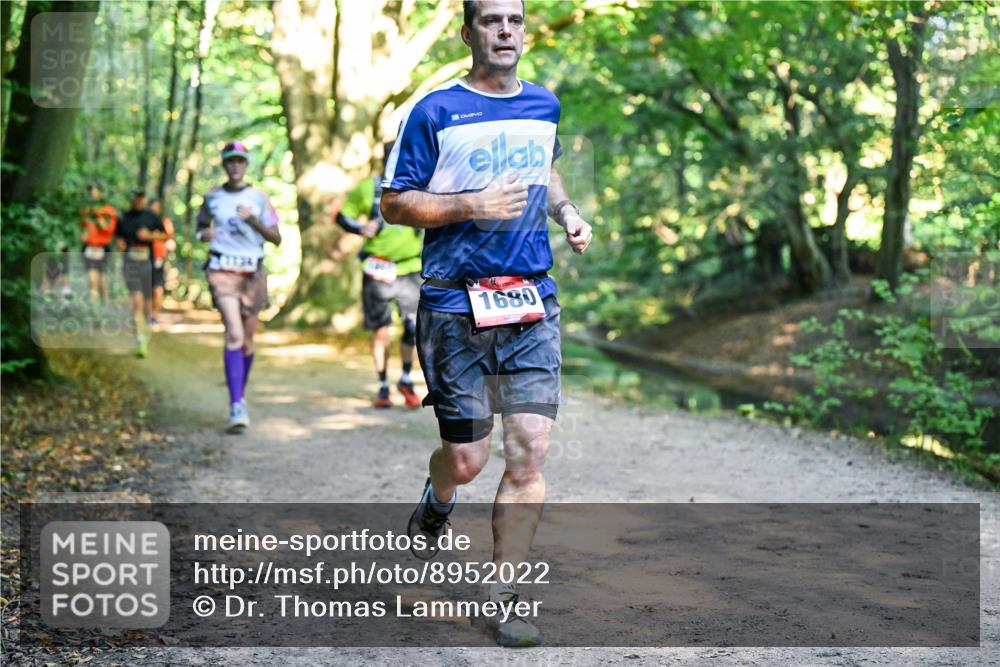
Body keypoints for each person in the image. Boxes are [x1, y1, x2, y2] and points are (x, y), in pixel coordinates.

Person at [380, 0, 592, 647]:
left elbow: (545, 168)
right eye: (493, 20)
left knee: (529, 452)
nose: (506, 31)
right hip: (453, 304)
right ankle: (438, 497)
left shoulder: (543, 105)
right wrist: (469, 203)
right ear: (467, 30)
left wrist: (567, 210)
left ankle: (503, 597)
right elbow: (392, 203)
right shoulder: (435, 111)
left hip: (531, 302)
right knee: (469, 459)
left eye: (516, 21)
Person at [196, 140, 281, 433]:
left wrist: (253, 220)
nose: (235, 166)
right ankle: (236, 405)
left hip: (253, 275)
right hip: (222, 272)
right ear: (224, 165)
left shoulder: (259, 198)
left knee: (246, 341)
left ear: (246, 165)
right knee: (233, 334)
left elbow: (276, 238)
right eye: (230, 161)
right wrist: (203, 236)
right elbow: (200, 229)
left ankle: (239, 396)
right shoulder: (212, 198)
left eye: (240, 161)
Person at [332, 144, 423, 409]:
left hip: (410, 269)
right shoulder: (369, 188)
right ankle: (383, 384)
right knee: (381, 331)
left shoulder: (420, 187)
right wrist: (361, 228)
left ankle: (406, 379)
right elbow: (342, 216)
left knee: (414, 328)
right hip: (377, 269)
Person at [115, 189, 167, 358]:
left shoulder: (151, 216)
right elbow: (117, 237)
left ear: (144, 200)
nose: (138, 201)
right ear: (132, 199)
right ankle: (139, 340)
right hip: (130, 264)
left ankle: (145, 334)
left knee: (146, 304)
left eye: (141, 198)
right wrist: (120, 244)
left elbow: (165, 235)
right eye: (135, 198)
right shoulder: (124, 217)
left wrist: (149, 236)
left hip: (147, 263)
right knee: (136, 302)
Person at [79, 183, 118, 304]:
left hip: (102, 248)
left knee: (102, 281)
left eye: (94, 191)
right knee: (92, 280)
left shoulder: (108, 210)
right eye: (90, 191)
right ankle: (93, 308)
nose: (92, 194)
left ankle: (105, 305)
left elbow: (108, 229)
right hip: (89, 247)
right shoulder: (85, 210)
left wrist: (97, 213)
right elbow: (82, 228)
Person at [148, 198, 176, 327]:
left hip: (158, 258)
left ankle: (154, 316)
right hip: (143, 258)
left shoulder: (164, 222)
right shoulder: (144, 222)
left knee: (157, 288)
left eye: (157, 207)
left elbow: (170, 239)